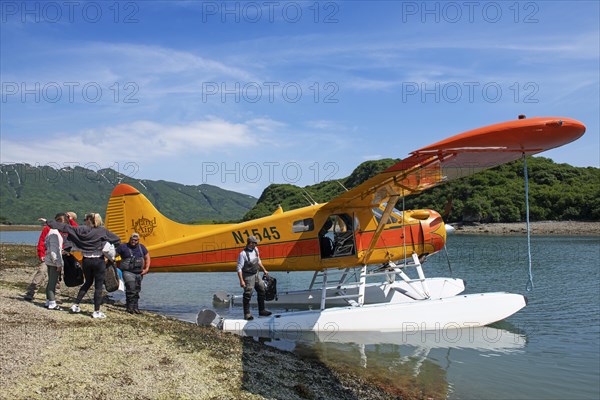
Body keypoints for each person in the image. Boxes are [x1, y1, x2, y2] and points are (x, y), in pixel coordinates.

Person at [47, 212, 120, 319]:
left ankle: (76, 305)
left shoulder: (81, 229)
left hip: (86, 261)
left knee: (87, 283)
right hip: (98, 261)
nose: (84, 220)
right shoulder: (102, 231)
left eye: (85, 218)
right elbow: (117, 239)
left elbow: (65, 227)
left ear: (89, 220)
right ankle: (96, 311)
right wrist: (107, 247)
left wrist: (49, 222)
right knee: (98, 287)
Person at [24, 213, 68, 302]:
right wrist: (41, 254)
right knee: (41, 272)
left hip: (59, 256)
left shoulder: (66, 230)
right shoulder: (48, 229)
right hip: (47, 255)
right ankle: (31, 292)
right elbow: (41, 242)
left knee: (57, 276)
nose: (61, 225)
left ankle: (55, 295)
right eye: (60, 222)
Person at [236, 235, 271, 320]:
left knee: (262, 289)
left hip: (256, 274)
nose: (256, 244)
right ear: (251, 243)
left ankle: (262, 311)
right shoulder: (243, 254)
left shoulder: (256, 250)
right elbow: (239, 268)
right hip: (248, 276)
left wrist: (264, 270)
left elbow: (258, 261)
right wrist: (241, 281)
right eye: (255, 243)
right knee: (248, 294)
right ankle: (247, 314)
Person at [116, 233, 151, 314]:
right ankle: (129, 307)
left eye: (135, 240)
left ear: (138, 240)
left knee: (137, 290)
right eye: (132, 239)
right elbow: (113, 255)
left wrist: (147, 268)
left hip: (139, 273)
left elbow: (147, 257)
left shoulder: (142, 247)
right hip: (128, 272)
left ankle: (136, 307)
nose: (133, 241)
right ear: (130, 239)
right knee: (131, 289)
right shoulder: (123, 247)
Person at [44, 214, 68, 310]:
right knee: (52, 282)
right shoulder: (55, 233)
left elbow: (50, 247)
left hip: (49, 260)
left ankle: (48, 300)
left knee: (50, 281)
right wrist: (58, 263)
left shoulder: (51, 231)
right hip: (53, 261)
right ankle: (52, 303)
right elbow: (54, 251)